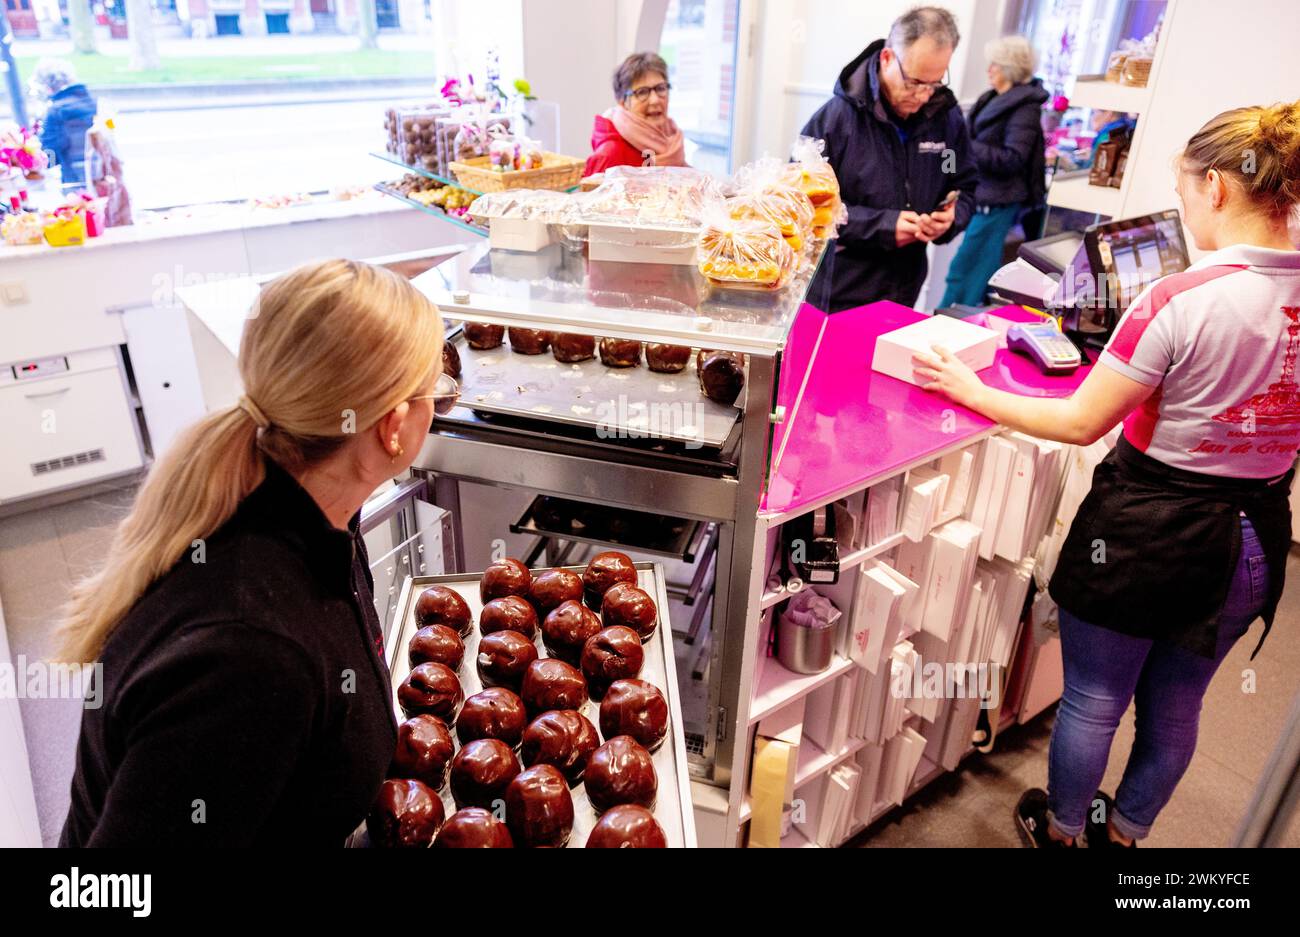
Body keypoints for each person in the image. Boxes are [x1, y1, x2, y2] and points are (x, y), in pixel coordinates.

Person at [914, 101, 1300, 848]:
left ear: (1216, 187)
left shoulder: (1179, 299)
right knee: (1179, 707)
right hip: (1253, 538)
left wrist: (973, 390)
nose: (1187, 212)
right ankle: (1121, 837)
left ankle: (1061, 833)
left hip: (1147, 533)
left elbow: (1082, 421)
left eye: (1187, 195)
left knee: (1093, 699)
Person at [56, 260, 448, 846]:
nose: (439, 404)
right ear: (394, 426)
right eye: (436, 390)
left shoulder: (309, 512)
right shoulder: (251, 655)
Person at [802, 5, 977, 311]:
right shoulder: (836, 121)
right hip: (839, 290)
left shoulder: (946, 122)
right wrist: (882, 225)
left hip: (904, 289)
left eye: (934, 83)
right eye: (914, 83)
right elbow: (805, 208)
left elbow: (958, 178)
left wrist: (952, 216)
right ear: (887, 59)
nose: (923, 95)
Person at [939, 36, 1048, 308]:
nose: (989, 70)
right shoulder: (990, 98)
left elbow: (1014, 158)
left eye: (995, 65)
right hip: (979, 197)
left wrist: (967, 146)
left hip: (997, 202)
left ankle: (946, 322)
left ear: (1009, 68)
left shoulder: (1025, 109)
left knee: (966, 270)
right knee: (967, 267)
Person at [584, 52, 688, 177]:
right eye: (642, 92)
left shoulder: (671, 138)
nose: (655, 100)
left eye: (660, 88)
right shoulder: (610, 154)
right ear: (622, 102)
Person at [33, 59, 97, 186]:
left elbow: (50, 155)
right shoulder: (94, 103)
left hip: (75, 178)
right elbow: (110, 131)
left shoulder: (55, 111)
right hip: (103, 171)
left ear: (47, 86)